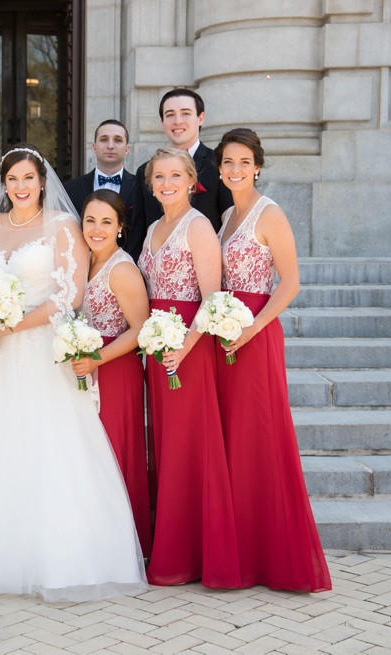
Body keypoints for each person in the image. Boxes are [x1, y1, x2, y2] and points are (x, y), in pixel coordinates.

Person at [0, 145, 147, 601]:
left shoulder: (64, 227)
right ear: (3, 184)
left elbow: (69, 294)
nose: (21, 187)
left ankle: (59, 558)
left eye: (29, 178)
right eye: (13, 180)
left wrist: (11, 324)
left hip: (41, 347)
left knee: (49, 445)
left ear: (43, 182)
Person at [214, 128, 331, 592]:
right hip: (226, 336)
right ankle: (241, 550)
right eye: (227, 162)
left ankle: (276, 557)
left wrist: (251, 330)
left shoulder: (270, 213)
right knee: (234, 441)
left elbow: (290, 283)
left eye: (243, 162)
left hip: (256, 336)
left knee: (261, 437)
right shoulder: (224, 216)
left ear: (257, 165)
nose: (235, 170)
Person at [137, 147, 240, 588]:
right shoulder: (153, 228)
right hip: (158, 352)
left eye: (175, 175)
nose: (166, 183)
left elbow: (212, 299)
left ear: (192, 179)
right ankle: (171, 549)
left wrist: (186, 346)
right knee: (167, 450)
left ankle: (196, 557)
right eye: (159, 176)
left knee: (191, 449)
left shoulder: (199, 227)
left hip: (189, 353)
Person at [72, 189, 152, 554]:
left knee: (115, 452)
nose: (97, 228)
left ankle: (121, 546)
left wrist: (97, 359)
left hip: (115, 370)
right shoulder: (82, 260)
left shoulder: (122, 269)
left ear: (121, 227)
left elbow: (140, 329)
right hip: (84, 366)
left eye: (106, 222)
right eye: (91, 220)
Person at [134, 88, 232, 236]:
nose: (178, 121)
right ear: (162, 122)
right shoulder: (144, 171)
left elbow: (230, 227)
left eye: (186, 113)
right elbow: (138, 232)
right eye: (170, 115)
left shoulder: (219, 165)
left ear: (200, 118)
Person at [64, 120, 144, 259]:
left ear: (127, 149)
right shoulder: (71, 189)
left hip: (129, 267)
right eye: (104, 139)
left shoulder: (141, 188)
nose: (110, 146)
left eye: (118, 140)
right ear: (94, 147)